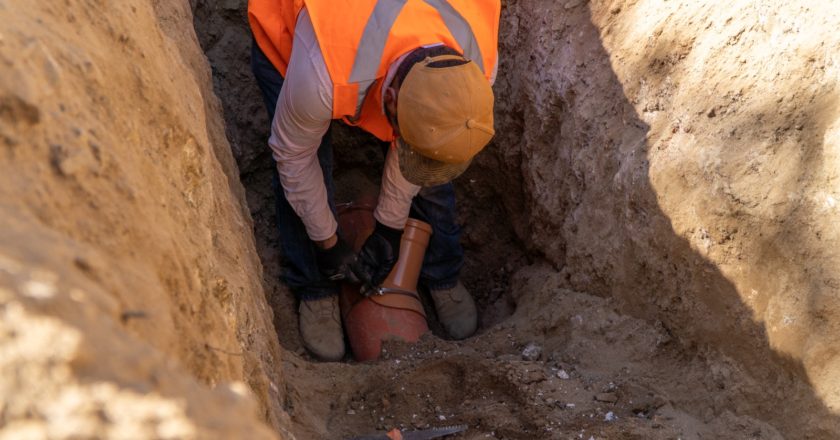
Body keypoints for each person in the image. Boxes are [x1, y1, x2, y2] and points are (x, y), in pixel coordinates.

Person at [248, 0, 500, 361]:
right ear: (392, 100)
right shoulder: (321, 78)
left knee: (437, 148)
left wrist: (390, 227)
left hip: (382, 50)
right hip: (305, 28)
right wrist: (328, 242)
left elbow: (425, 143)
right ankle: (315, 286)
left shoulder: (477, 67)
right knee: (306, 160)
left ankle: (442, 272)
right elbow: (293, 155)